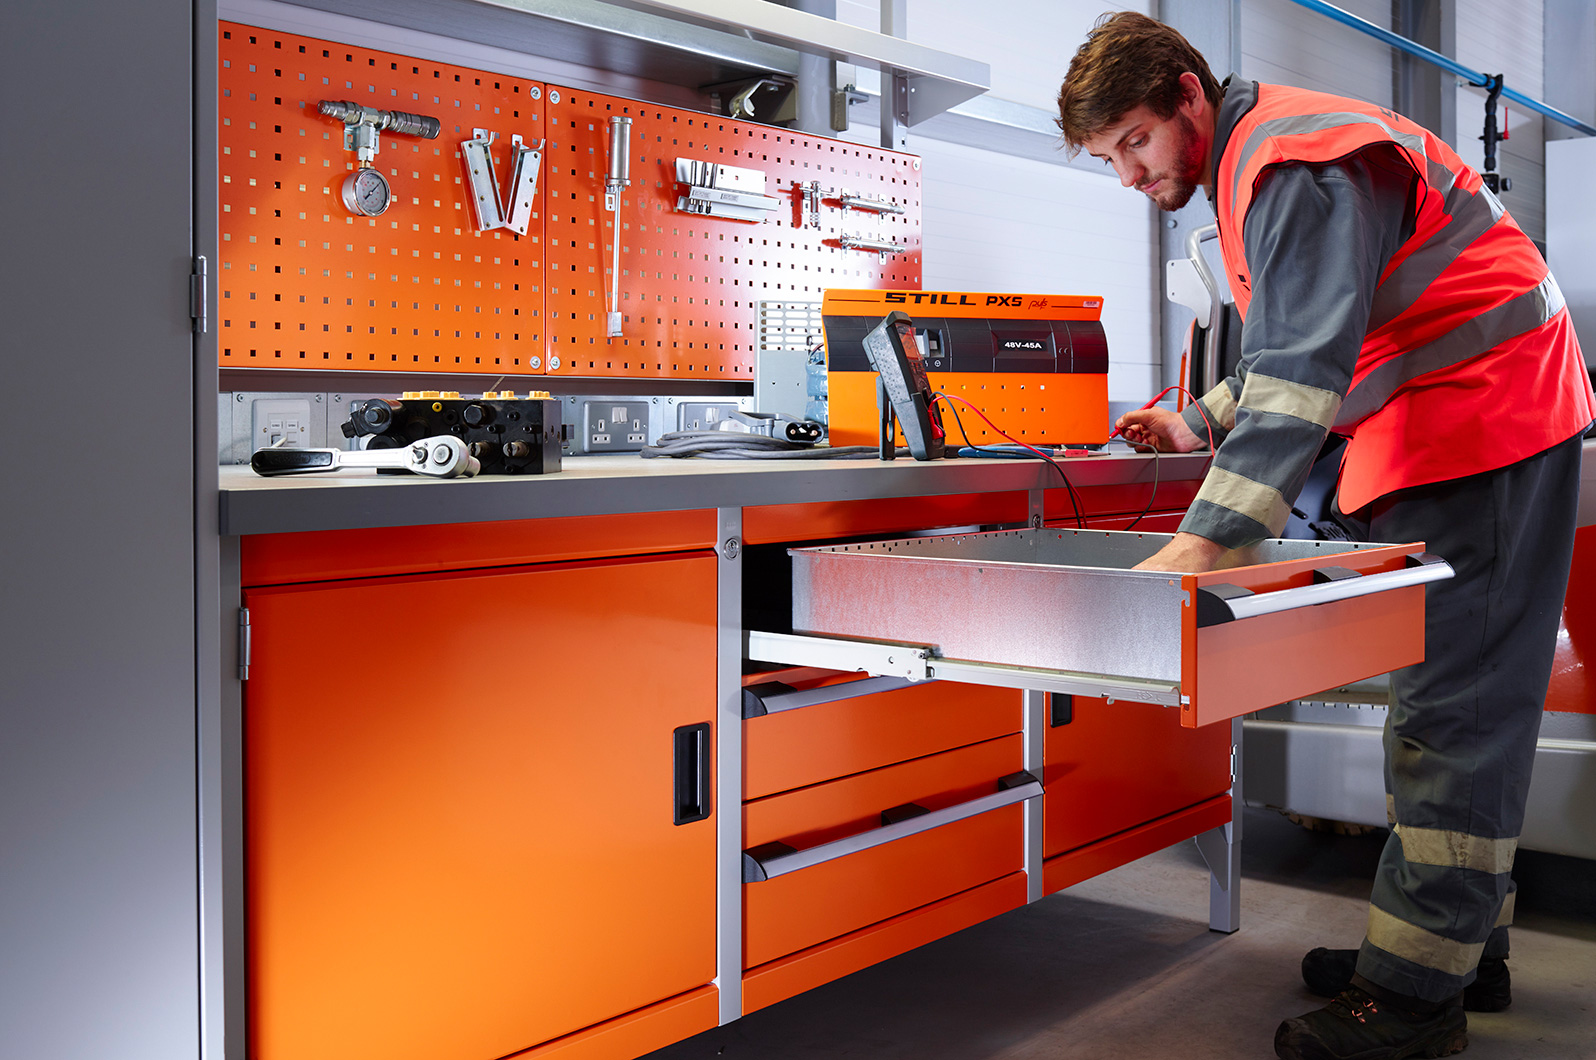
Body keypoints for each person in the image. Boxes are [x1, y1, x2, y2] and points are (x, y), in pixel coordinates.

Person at [1057, 11, 1595, 1060]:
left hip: (1487, 427)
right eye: (1109, 157)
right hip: (1466, 427)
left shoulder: (1293, 166)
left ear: (1187, 95)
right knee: (1446, 715)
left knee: (1456, 719)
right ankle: (1455, 952)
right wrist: (1197, 421)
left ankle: (1411, 1003)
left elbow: (1303, 373)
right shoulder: (1267, 160)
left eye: (1134, 142)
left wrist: (1202, 546)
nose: (1129, 175)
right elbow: (1305, 340)